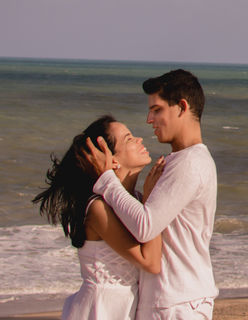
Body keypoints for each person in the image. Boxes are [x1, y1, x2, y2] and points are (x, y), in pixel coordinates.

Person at [83, 70, 218, 320]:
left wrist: (106, 180)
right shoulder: (182, 161)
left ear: (182, 107)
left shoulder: (189, 163)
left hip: (176, 303)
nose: (149, 119)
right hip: (172, 299)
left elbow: (145, 226)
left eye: (157, 110)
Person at [33, 116, 164, 320]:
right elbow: (151, 262)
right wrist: (151, 199)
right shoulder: (98, 207)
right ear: (110, 160)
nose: (139, 139)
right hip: (102, 307)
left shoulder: (135, 200)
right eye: (128, 139)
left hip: (126, 304)